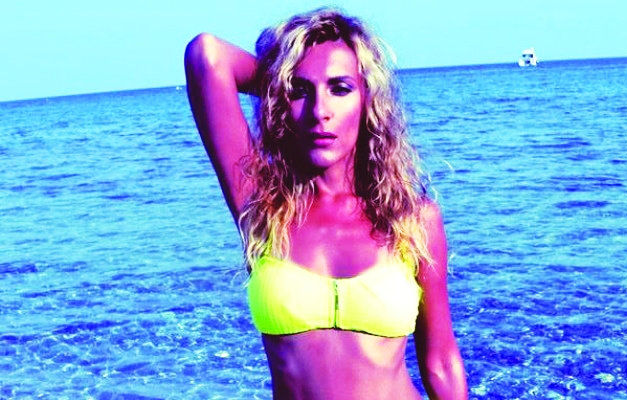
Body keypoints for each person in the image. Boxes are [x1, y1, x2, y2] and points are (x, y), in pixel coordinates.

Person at [184, 8, 467, 399]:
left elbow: (441, 361)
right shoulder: (264, 209)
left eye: (340, 89)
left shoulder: (412, 221)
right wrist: (280, 84)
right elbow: (207, 56)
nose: (320, 112)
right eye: (301, 91)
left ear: (368, 99)